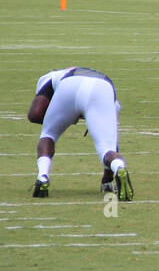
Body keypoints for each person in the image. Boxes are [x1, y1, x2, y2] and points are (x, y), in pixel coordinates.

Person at [27, 67, 132, 200]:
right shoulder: (114, 103)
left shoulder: (51, 77)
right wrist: (107, 179)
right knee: (106, 148)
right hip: (103, 88)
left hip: (69, 86)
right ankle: (119, 167)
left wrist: (66, 118)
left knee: (48, 134)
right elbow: (113, 141)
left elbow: (35, 114)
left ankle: (42, 177)